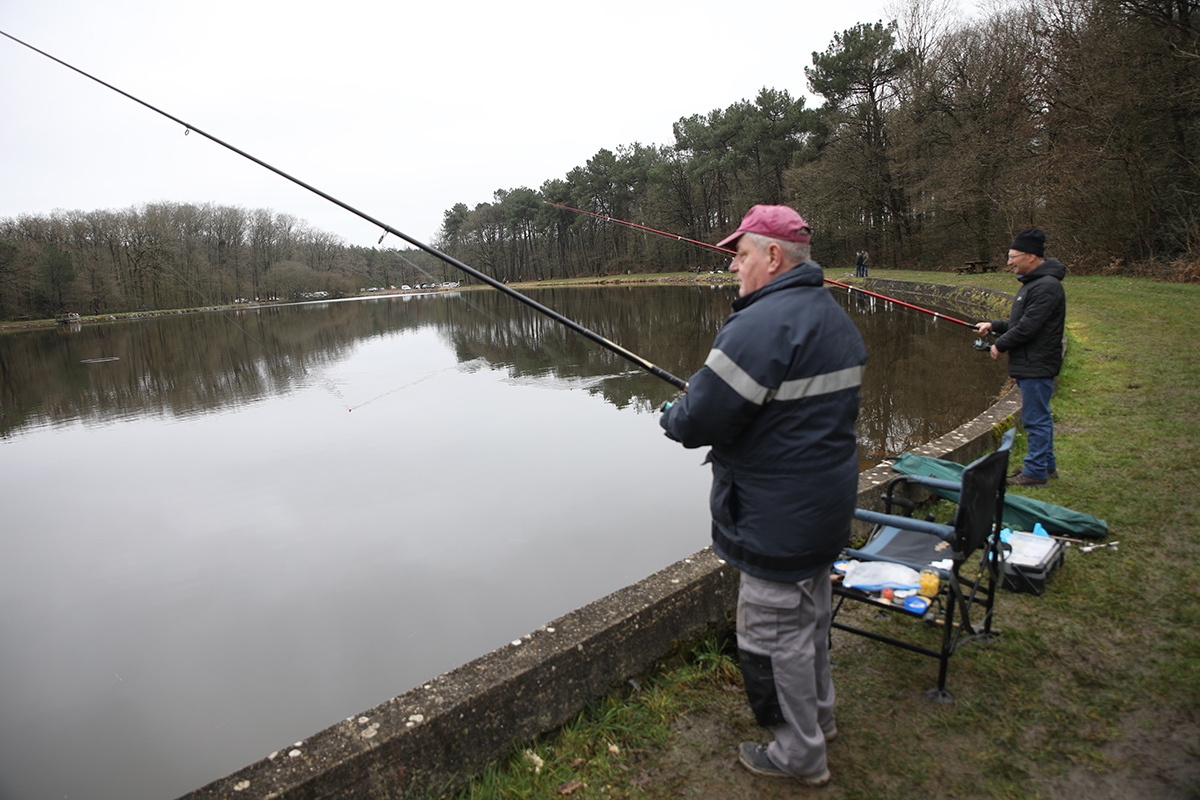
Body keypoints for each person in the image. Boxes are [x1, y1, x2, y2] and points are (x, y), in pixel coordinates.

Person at [659, 205, 868, 786]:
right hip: (823, 508)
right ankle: (819, 723)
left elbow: (699, 420)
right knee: (809, 626)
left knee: (770, 641)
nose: (735, 267)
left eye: (741, 254)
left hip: (776, 516)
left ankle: (798, 754)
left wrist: (673, 416)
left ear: (772, 256)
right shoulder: (830, 315)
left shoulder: (759, 326)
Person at [974, 228, 1066, 487]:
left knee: (1035, 419)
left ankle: (1035, 473)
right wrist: (993, 325)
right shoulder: (1035, 284)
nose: (1009, 262)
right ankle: (1044, 466)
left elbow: (1028, 328)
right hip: (1031, 361)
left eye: (1013, 256)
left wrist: (999, 345)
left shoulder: (1046, 287)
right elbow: (1019, 322)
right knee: (1039, 416)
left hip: (1036, 363)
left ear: (1032, 256)